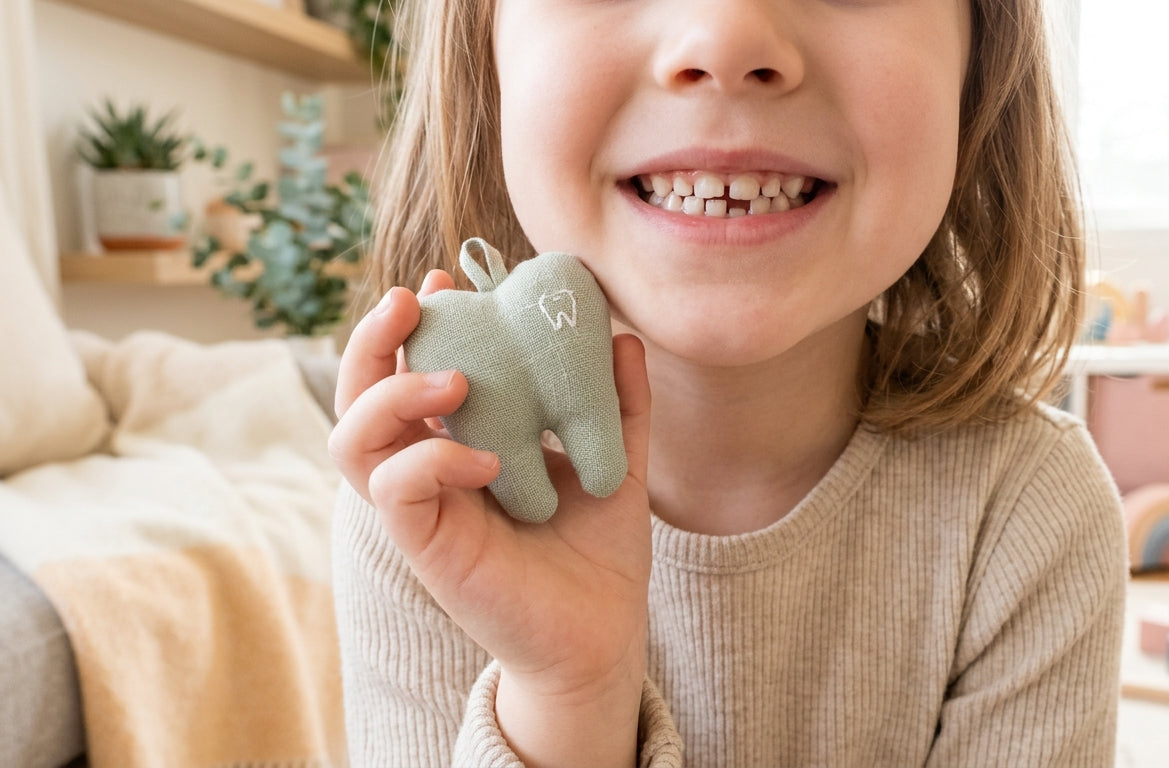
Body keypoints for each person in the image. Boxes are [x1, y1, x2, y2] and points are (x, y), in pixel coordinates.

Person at [328, 0, 1128, 763]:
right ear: (483, 57)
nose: (726, 38)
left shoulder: (1030, 510)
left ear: (981, 60)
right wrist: (568, 700)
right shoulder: (427, 496)